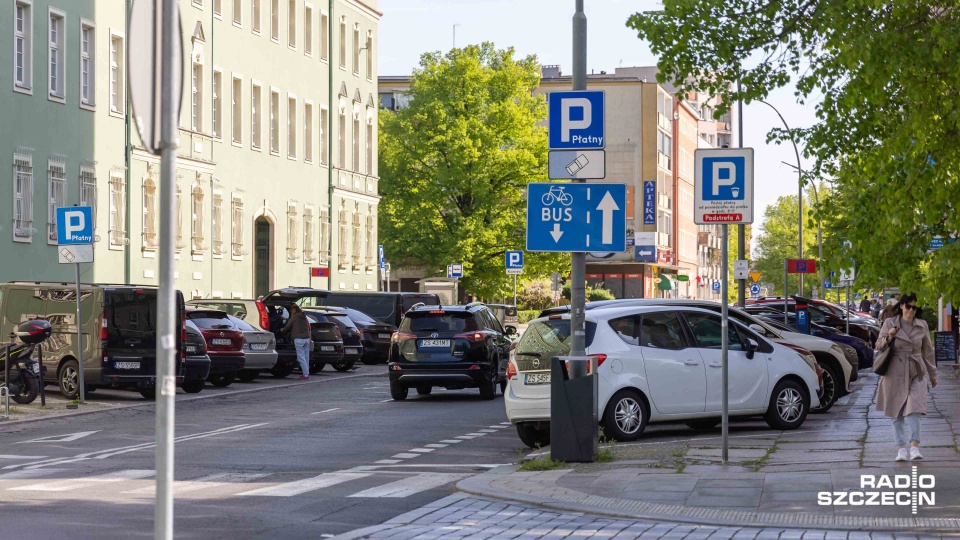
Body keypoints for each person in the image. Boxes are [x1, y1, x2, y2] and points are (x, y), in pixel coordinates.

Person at [874, 293, 937, 461]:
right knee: (897, 411)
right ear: (901, 306)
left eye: (914, 307)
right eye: (908, 306)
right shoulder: (890, 323)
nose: (911, 310)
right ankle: (901, 448)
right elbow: (878, 345)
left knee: (915, 408)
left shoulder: (922, 325)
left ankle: (915, 446)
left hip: (916, 370)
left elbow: (928, 353)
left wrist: (933, 374)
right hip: (895, 370)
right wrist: (890, 336)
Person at [282, 303, 312, 380]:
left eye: (291, 310)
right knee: (306, 357)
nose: (291, 312)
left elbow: (288, 326)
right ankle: (306, 373)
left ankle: (305, 375)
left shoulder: (295, 316)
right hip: (307, 338)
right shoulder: (304, 316)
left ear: (294, 310)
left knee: (301, 357)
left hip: (299, 339)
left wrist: (282, 330)